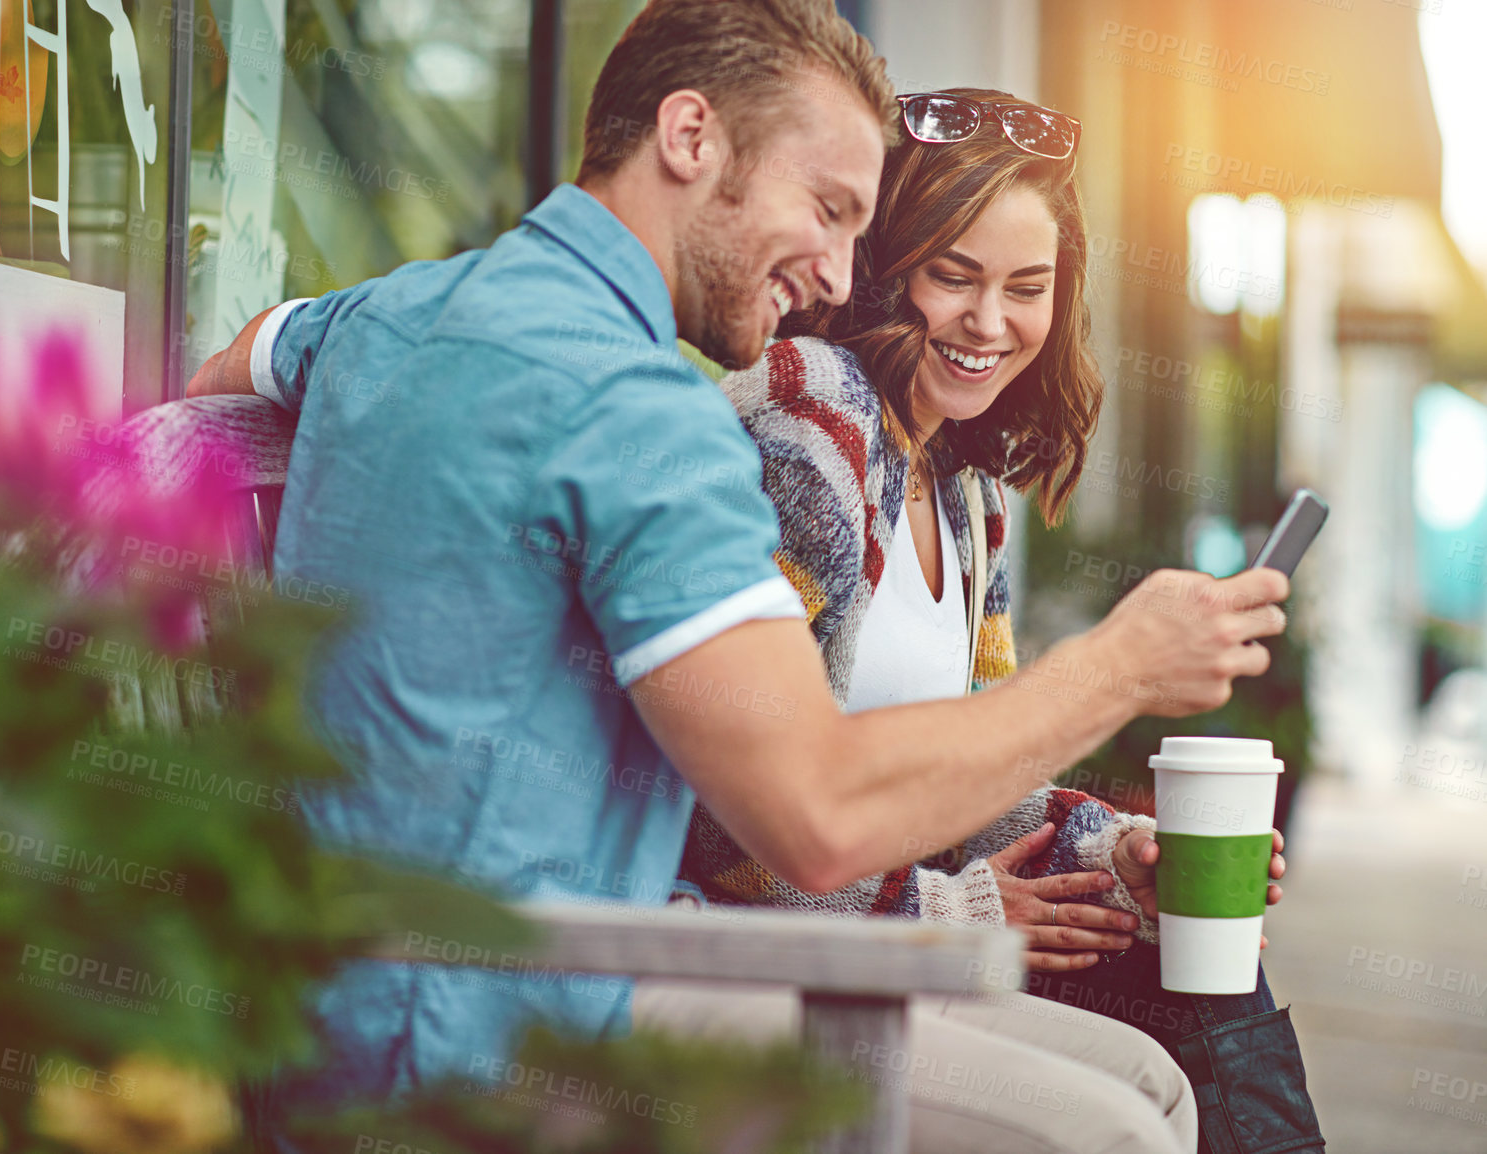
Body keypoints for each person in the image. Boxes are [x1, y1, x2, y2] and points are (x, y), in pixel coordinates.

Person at [188, 2, 1289, 1149]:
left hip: (340, 972)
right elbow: (809, 817)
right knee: (1112, 1132)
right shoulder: (644, 417)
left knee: (1152, 1088)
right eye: (826, 211)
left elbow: (219, 378)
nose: (835, 275)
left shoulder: (389, 309)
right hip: (514, 1009)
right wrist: (1115, 667)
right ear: (689, 136)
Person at [677, 88, 1324, 1153]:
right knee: (1138, 1100)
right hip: (752, 955)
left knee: (1192, 989)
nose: (990, 324)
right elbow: (728, 818)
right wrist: (945, 912)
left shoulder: (969, 493)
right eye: (953, 275)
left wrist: (1114, 851)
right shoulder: (812, 436)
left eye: (1027, 287)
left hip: (888, 942)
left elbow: (971, 770)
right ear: (887, 267)